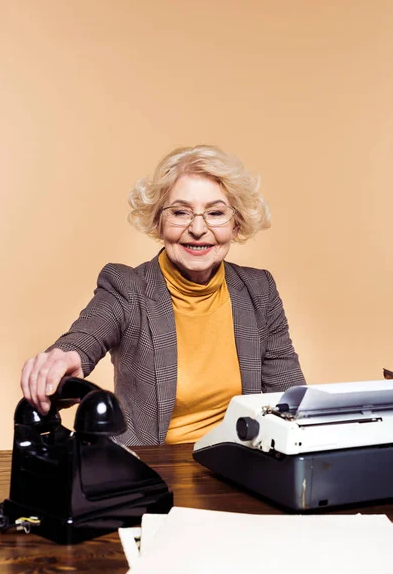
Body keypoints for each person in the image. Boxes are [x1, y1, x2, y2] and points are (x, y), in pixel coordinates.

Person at [21, 145, 306, 445]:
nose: (198, 229)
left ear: (236, 225)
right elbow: (86, 337)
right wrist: (63, 359)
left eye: (216, 212)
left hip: (238, 468)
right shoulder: (127, 287)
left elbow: (291, 402)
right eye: (180, 212)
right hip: (153, 472)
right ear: (158, 221)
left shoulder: (259, 290)